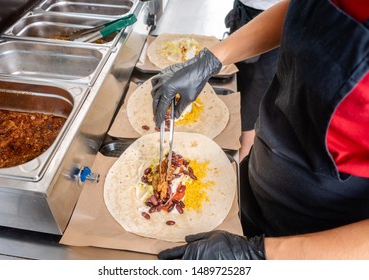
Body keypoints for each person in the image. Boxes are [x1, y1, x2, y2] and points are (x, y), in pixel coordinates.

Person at [151, 0, 369, 259]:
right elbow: (308, 11)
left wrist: (260, 254)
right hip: (257, 183)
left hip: (318, 243)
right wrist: (212, 58)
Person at [225, 0, 282, 162]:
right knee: (238, 80)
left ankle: (245, 151)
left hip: (273, 13)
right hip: (245, 8)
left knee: (256, 89)